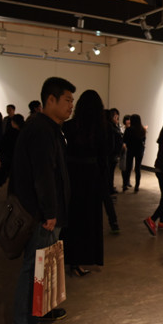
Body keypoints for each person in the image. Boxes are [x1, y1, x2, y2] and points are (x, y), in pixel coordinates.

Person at [9, 76, 75, 324]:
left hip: (48, 212)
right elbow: (43, 174)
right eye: (67, 100)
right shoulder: (40, 130)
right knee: (35, 267)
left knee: (45, 265)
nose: (71, 105)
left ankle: (42, 309)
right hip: (41, 214)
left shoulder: (50, 128)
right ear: (51, 99)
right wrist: (49, 212)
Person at [61, 90, 108, 276]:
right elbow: (103, 159)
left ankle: (68, 258)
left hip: (71, 177)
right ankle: (79, 261)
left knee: (71, 219)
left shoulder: (68, 126)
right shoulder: (100, 129)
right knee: (87, 221)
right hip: (91, 179)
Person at [123, 114, 146, 192]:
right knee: (137, 168)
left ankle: (124, 185)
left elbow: (124, 140)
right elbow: (144, 141)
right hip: (139, 150)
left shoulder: (128, 129)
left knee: (128, 168)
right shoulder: (142, 130)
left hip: (130, 150)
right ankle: (137, 186)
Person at [120, 114, 131, 190]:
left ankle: (127, 181)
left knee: (129, 166)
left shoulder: (131, 129)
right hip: (123, 149)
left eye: (129, 119)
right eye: (127, 119)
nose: (128, 121)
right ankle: (124, 182)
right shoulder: (122, 129)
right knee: (123, 166)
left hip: (130, 149)